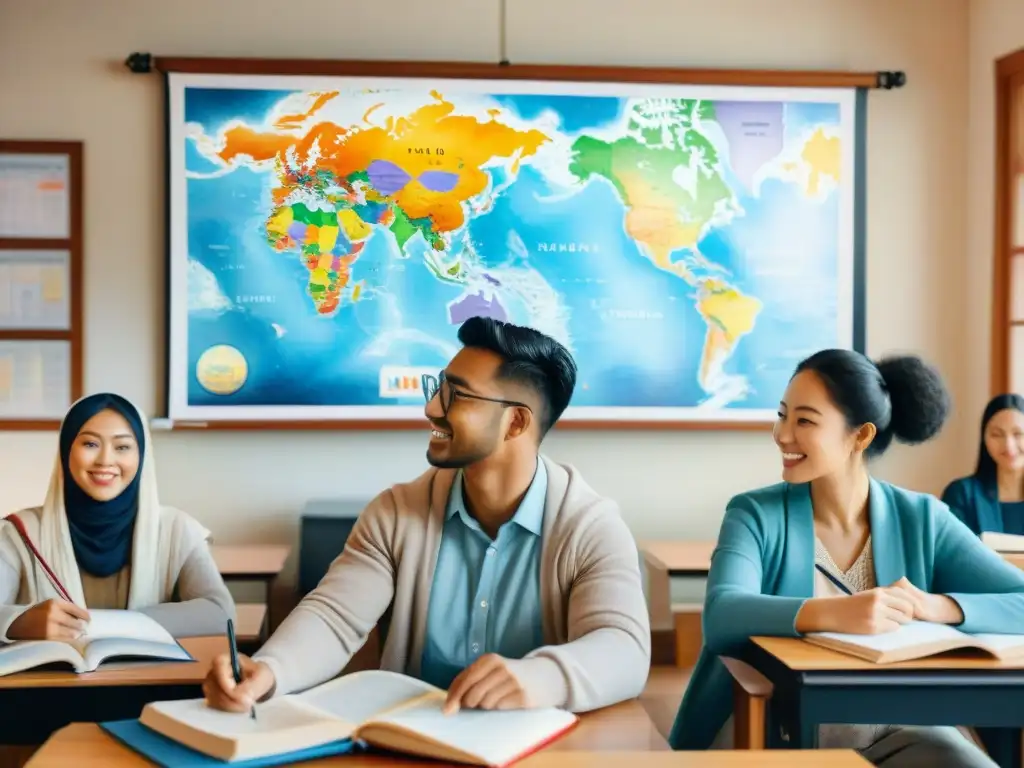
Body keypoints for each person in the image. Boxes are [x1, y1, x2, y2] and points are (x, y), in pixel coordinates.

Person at [203, 316, 650, 714]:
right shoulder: (394, 514)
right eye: (439, 387)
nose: (432, 407)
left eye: (457, 396)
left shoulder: (590, 527)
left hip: (543, 750)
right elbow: (335, 617)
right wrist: (269, 670)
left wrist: (539, 678)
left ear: (515, 423)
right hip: (415, 744)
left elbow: (625, 651)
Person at [670, 350, 1024, 767]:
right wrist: (838, 613)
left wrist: (936, 606)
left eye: (804, 421)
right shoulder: (753, 513)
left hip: (897, 725)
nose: (782, 435)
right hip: (776, 723)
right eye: (782, 415)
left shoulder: (923, 518)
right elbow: (721, 615)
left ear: (861, 436)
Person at [0, 393, 234, 641]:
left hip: (154, 679)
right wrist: (18, 623)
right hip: (51, 679)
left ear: (142, 455)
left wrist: (105, 624)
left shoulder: (177, 530)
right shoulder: (19, 533)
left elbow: (219, 613)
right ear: (66, 450)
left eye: (122, 447)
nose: (105, 460)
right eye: (90, 444)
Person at [941, 394, 1024, 536]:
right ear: (984, 439)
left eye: (1018, 434)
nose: (1008, 445)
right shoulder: (961, 494)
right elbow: (950, 554)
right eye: (997, 435)